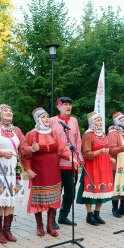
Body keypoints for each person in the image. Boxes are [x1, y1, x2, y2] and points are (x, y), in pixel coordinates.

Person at [22, 108, 73, 237]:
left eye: (47, 117)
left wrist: (70, 157)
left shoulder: (54, 133)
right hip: (39, 171)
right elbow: (24, 153)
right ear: (38, 119)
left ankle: (50, 225)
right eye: (43, 117)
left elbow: (61, 150)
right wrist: (28, 169)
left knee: (54, 198)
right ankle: (39, 226)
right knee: (38, 199)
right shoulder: (31, 134)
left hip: (53, 171)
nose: (46, 119)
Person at [0, 104, 31, 243]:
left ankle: (7, 230)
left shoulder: (16, 130)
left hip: (13, 167)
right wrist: (0, 153)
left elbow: (23, 147)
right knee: (0, 199)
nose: (9, 112)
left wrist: (33, 149)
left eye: (11, 110)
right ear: (0, 114)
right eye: (6, 110)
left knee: (11, 197)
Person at [50, 97, 84, 227]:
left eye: (70, 104)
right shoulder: (52, 120)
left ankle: (63, 216)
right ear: (59, 107)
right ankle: (51, 219)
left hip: (71, 162)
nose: (68, 107)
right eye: (65, 105)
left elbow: (78, 140)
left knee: (70, 192)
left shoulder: (74, 120)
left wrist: (79, 157)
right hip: (56, 162)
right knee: (56, 191)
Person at [76, 111, 115, 226]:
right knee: (90, 190)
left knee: (101, 190)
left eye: (101, 120)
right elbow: (86, 154)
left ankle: (97, 214)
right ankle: (89, 215)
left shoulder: (103, 134)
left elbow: (106, 149)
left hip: (103, 165)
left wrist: (109, 158)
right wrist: (99, 152)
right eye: (97, 120)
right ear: (92, 122)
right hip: (92, 166)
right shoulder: (88, 135)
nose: (101, 122)